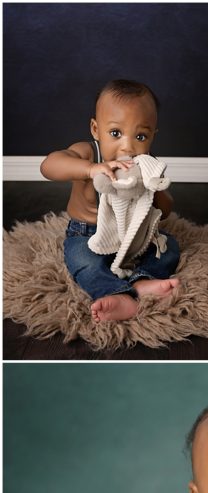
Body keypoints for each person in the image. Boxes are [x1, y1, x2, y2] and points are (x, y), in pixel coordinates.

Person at [40, 79, 181, 322]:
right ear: (96, 129)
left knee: (168, 247)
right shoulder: (88, 153)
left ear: (152, 136)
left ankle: (144, 281)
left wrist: (155, 188)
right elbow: (48, 165)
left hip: (133, 235)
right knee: (83, 262)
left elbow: (166, 210)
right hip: (89, 234)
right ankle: (117, 294)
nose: (128, 146)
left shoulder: (146, 164)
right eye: (115, 133)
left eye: (140, 135)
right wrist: (90, 169)